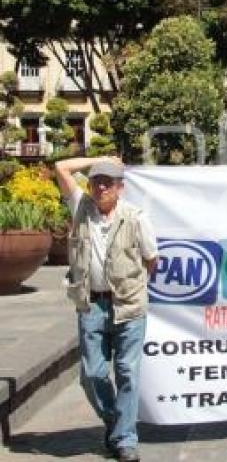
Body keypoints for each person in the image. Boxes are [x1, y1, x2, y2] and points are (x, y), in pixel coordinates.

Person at [55, 157, 158, 461]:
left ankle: (125, 440)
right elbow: (61, 167)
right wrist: (98, 160)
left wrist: (133, 289)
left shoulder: (136, 217)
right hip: (91, 304)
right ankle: (117, 425)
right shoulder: (80, 208)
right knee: (92, 374)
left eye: (108, 182)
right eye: (96, 181)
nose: (101, 187)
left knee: (127, 371)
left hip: (128, 305)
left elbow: (151, 260)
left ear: (120, 188)